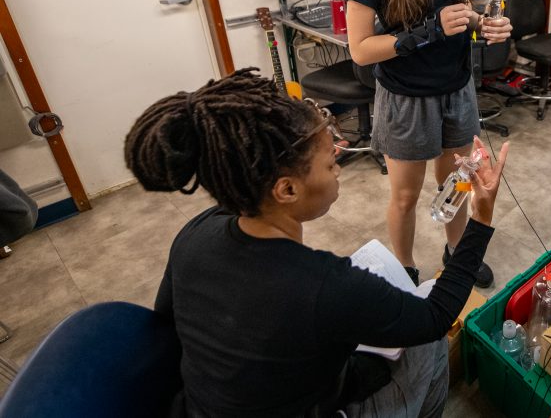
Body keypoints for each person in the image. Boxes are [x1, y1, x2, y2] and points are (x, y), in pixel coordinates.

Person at [124, 69, 509, 417]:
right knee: (429, 337)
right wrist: (480, 218)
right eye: (329, 163)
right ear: (287, 189)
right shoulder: (322, 286)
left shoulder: (197, 232)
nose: (338, 169)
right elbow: (435, 318)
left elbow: (169, 331)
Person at [342, 0, 512, 288]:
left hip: (457, 90)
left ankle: (457, 255)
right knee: (405, 196)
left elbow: (463, 11)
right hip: (407, 97)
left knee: (455, 185)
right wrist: (426, 32)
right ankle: (406, 269)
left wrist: (484, 24)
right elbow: (360, 49)